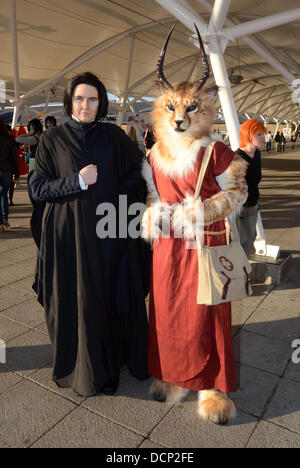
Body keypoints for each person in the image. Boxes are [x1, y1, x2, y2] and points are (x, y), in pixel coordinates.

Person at [28, 72, 150, 397]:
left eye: (92, 99)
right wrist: (77, 182)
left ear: (101, 102)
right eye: (80, 99)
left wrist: (111, 193)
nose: (86, 105)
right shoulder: (52, 139)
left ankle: (114, 362)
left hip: (109, 233)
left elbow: (139, 174)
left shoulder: (114, 137)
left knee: (109, 295)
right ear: (69, 102)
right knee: (77, 299)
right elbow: (38, 187)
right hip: (69, 240)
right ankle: (81, 370)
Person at [235, 119, 266, 258]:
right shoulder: (237, 157)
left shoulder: (257, 154)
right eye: (259, 134)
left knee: (250, 240)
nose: (263, 137)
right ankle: (240, 273)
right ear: (248, 135)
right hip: (240, 207)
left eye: (263, 134)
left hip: (253, 204)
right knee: (240, 242)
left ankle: (244, 272)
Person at [0, 118, 20, 232]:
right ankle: (5, 219)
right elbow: (14, 158)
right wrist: (16, 174)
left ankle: (0, 224)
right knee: (4, 195)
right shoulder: (9, 139)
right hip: (7, 171)